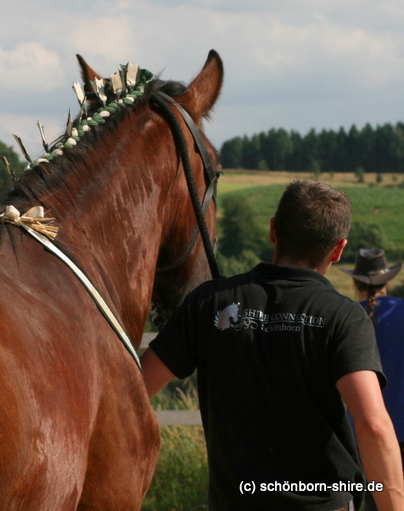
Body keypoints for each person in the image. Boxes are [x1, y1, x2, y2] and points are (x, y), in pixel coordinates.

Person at [141, 180, 404, 511]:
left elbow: (136, 390)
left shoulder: (209, 303)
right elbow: (373, 425)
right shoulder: (343, 317)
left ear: (273, 230)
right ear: (338, 249)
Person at [341, 248, 404, 511]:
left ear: (355, 282)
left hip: (357, 436)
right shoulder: (401, 311)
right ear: (387, 280)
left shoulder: (345, 317)